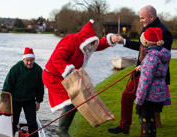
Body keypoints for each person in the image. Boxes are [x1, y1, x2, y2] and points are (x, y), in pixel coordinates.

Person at [42, 19, 117, 137]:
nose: (92, 47)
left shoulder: (86, 45)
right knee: (73, 99)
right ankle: (61, 129)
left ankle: (63, 127)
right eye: (91, 44)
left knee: (76, 100)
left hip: (66, 76)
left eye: (93, 43)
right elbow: (57, 59)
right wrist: (71, 69)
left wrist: (110, 40)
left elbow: (98, 45)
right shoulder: (70, 42)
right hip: (53, 76)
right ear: (85, 40)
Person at [108, 5, 173, 134]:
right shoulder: (147, 27)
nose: (141, 21)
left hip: (150, 75)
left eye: (142, 18)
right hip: (142, 70)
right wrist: (124, 41)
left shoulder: (163, 31)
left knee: (145, 110)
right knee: (127, 97)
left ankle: (141, 130)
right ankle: (124, 126)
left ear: (151, 17)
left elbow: (159, 55)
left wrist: (143, 67)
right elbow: (141, 47)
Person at [136, 27, 171, 137]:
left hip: (148, 97)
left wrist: (139, 100)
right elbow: (157, 69)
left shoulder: (150, 57)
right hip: (159, 95)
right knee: (152, 123)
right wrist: (143, 67)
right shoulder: (161, 54)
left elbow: (145, 82)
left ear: (146, 42)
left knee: (145, 122)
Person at [2, 47, 44, 137]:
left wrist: (38, 101)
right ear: (23, 59)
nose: (29, 62)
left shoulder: (38, 70)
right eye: (27, 60)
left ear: (34, 59)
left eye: (31, 60)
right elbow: (7, 85)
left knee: (32, 122)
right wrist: (4, 101)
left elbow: (40, 87)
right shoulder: (16, 68)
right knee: (13, 122)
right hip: (15, 100)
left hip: (29, 100)